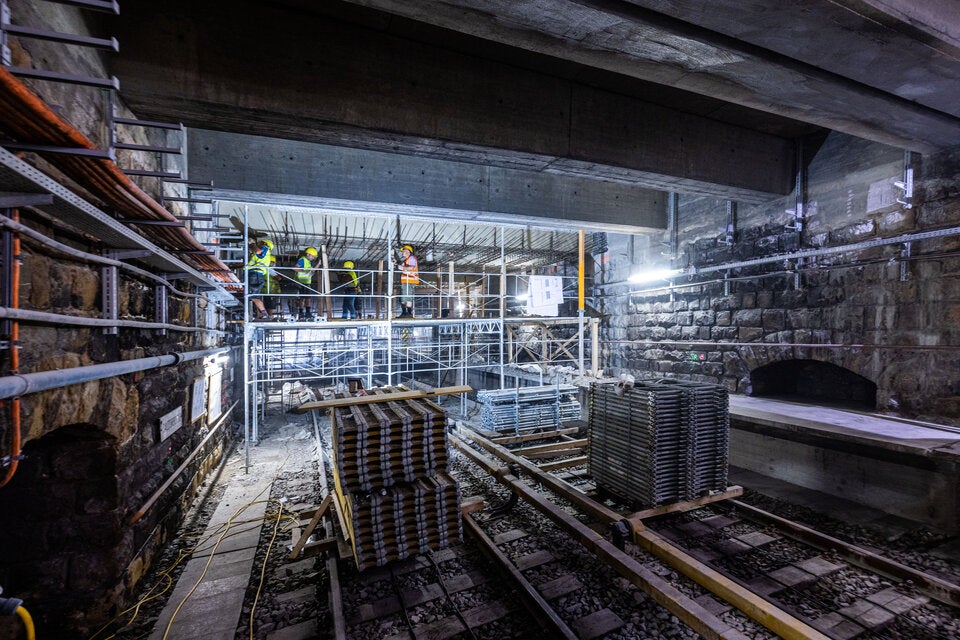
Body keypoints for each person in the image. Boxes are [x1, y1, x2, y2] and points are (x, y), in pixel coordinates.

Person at [246, 238, 273, 320]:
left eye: (260, 242)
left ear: (264, 243)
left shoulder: (265, 248)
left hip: (255, 275)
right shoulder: (266, 253)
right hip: (256, 275)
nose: (258, 243)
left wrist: (251, 244)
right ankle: (264, 313)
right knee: (253, 296)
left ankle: (264, 313)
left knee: (253, 296)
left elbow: (258, 252)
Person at [294, 246, 318, 320]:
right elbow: (295, 268)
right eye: (313, 256)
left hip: (305, 282)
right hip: (302, 282)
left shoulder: (308, 262)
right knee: (306, 298)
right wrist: (305, 272)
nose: (313, 258)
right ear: (308, 254)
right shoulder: (303, 260)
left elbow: (310, 272)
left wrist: (317, 266)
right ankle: (305, 313)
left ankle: (303, 313)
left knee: (305, 298)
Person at [398, 244, 419, 318]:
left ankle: (408, 313)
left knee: (408, 297)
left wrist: (403, 268)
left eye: (403, 251)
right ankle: (404, 313)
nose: (402, 253)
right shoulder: (406, 260)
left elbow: (411, 267)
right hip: (406, 281)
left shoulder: (412, 258)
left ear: (407, 251)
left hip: (410, 281)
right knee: (403, 297)